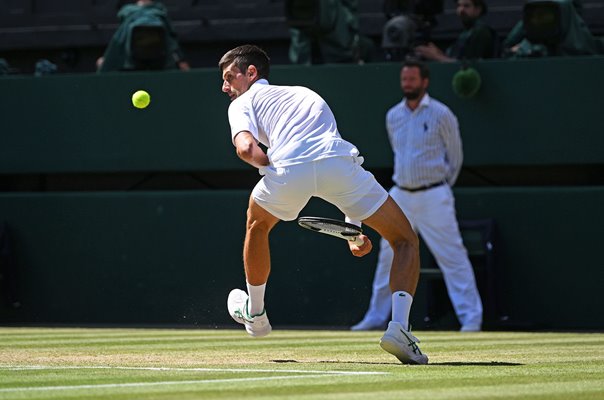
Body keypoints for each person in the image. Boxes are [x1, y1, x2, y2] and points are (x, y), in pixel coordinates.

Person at [219, 44, 428, 364]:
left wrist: (269, 167)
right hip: (338, 166)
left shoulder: (242, 103)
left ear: (251, 73)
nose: (225, 87)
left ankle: (256, 315)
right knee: (405, 240)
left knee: (257, 223)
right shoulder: (304, 93)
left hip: (288, 167)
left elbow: (246, 148)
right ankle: (399, 327)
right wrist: (353, 232)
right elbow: (329, 161)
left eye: (230, 77)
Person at [351, 59, 483, 332]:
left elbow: (455, 157)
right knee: (387, 256)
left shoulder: (442, 114)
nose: (407, 84)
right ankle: (376, 316)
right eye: (404, 79)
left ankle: (471, 318)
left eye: (412, 79)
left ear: (425, 82)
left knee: (452, 256)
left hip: (435, 195)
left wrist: (440, 186)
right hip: (400, 195)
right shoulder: (393, 115)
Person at [97, 0, 190, 72]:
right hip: (133, 65)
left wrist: (180, 61)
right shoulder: (128, 13)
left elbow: (171, 42)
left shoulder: (160, 13)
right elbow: (118, 39)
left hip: (159, 65)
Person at [415, 0, 496, 62]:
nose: (461, 10)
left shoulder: (481, 32)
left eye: (466, 6)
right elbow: (455, 59)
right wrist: (439, 53)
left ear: (478, 9)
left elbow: (467, 67)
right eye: (459, 5)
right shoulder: (466, 32)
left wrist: (436, 57)